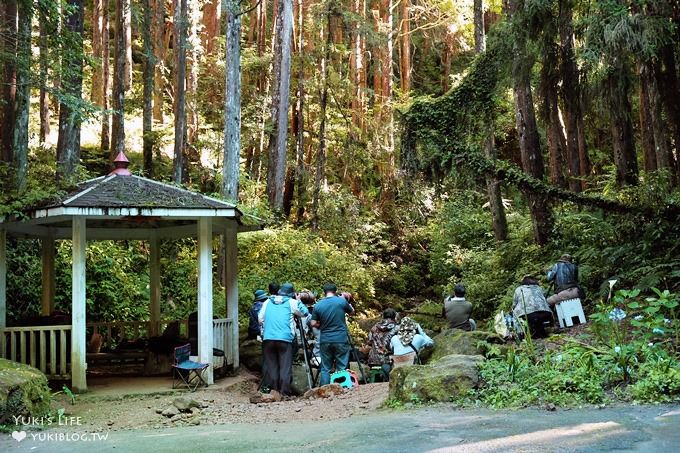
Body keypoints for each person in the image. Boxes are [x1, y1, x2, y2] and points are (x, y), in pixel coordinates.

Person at [258, 282, 309, 396]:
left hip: (268, 338)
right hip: (284, 339)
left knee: (272, 365)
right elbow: (305, 313)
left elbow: (260, 319)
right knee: (285, 366)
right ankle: (284, 392)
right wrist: (299, 300)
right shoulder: (292, 302)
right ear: (291, 294)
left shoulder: (267, 302)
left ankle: (274, 391)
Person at [310, 282, 355, 385]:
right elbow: (352, 312)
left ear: (324, 292)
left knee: (325, 367)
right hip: (340, 338)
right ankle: (341, 387)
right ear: (335, 291)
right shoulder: (341, 302)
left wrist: (321, 325)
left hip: (325, 339)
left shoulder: (318, 305)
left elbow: (312, 323)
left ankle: (324, 389)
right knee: (342, 366)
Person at [365, 308, 399, 381]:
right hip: (389, 359)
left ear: (383, 316)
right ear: (394, 317)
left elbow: (369, 342)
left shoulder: (374, 327)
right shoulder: (397, 328)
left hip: (373, 360)